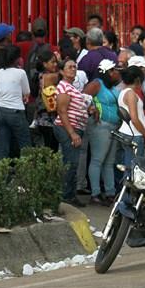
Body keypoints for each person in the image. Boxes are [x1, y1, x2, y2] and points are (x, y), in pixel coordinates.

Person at [54, 59, 95, 207]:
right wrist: (72, 133)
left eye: (74, 67)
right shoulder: (64, 87)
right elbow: (62, 111)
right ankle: (65, 196)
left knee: (72, 162)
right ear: (62, 71)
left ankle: (69, 195)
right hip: (68, 128)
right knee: (71, 162)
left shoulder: (72, 88)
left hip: (76, 127)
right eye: (69, 67)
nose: (73, 69)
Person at [83, 59, 121, 206]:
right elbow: (83, 98)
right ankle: (95, 193)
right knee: (98, 160)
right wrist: (92, 108)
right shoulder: (97, 84)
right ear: (106, 72)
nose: (115, 73)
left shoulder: (111, 87)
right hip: (100, 126)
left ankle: (110, 192)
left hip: (113, 126)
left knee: (109, 162)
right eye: (112, 71)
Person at [0, 45, 31, 159]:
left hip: (0, 111)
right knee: (25, 145)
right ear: (16, 59)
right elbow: (26, 92)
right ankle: (27, 172)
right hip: (16, 112)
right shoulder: (20, 73)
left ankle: (2, 173)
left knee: (3, 147)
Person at [118, 66, 145, 161]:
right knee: (135, 166)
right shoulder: (131, 94)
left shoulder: (122, 92)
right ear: (138, 80)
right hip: (134, 134)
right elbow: (134, 119)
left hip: (127, 132)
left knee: (128, 165)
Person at [30, 49, 60, 151]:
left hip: (40, 117)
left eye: (56, 62)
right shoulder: (50, 77)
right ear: (44, 64)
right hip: (49, 118)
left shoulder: (39, 75)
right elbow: (63, 74)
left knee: (45, 148)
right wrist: (61, 63)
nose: (55, 64)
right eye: (53, 62)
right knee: (51, 150)